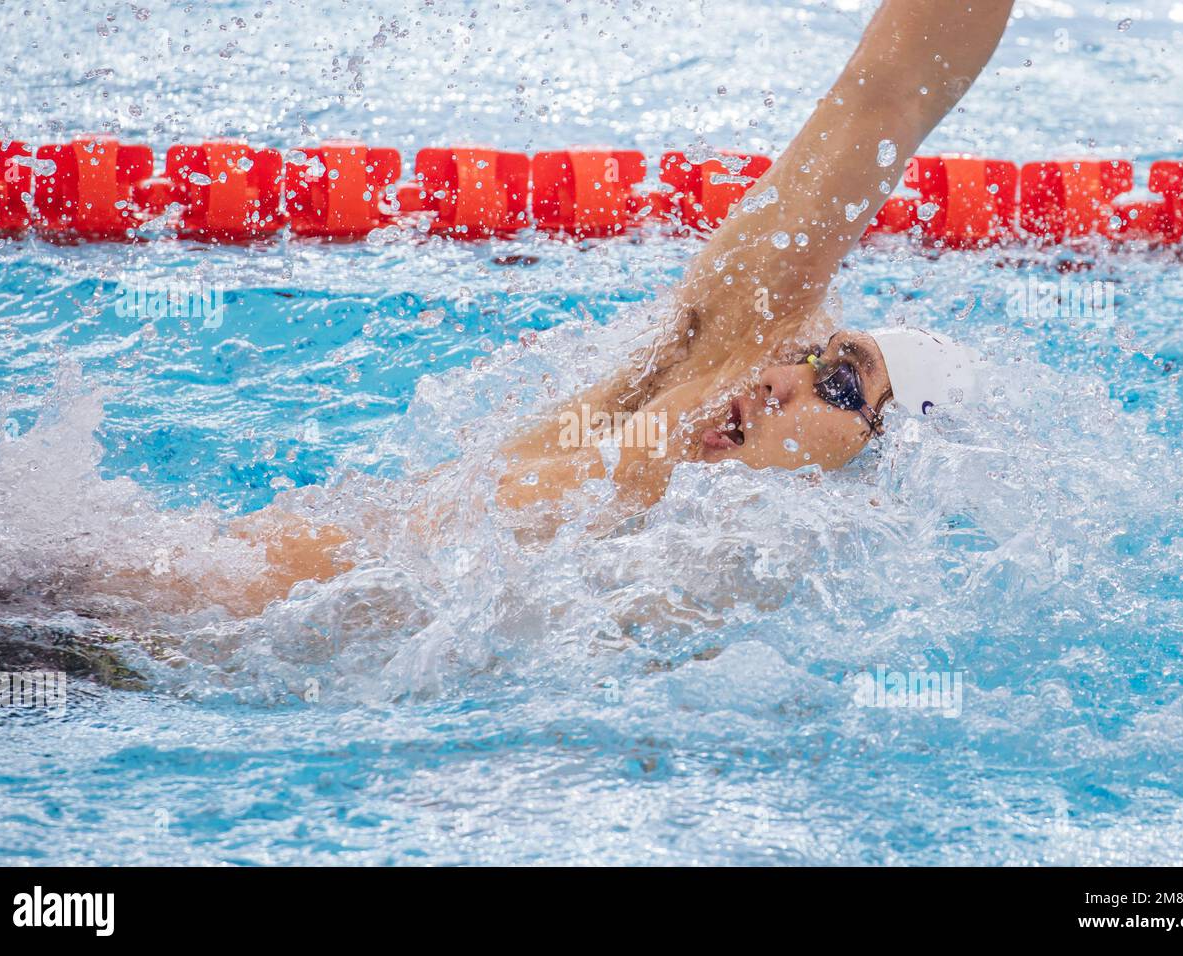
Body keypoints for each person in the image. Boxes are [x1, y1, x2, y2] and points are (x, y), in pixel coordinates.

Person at [196, 0, 1013, 615]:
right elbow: (892, 92)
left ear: (891, 473)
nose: (779, 376)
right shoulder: (688, 397)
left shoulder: (763, 596)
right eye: (809, 355)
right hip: (157, 595)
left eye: (839, 386)